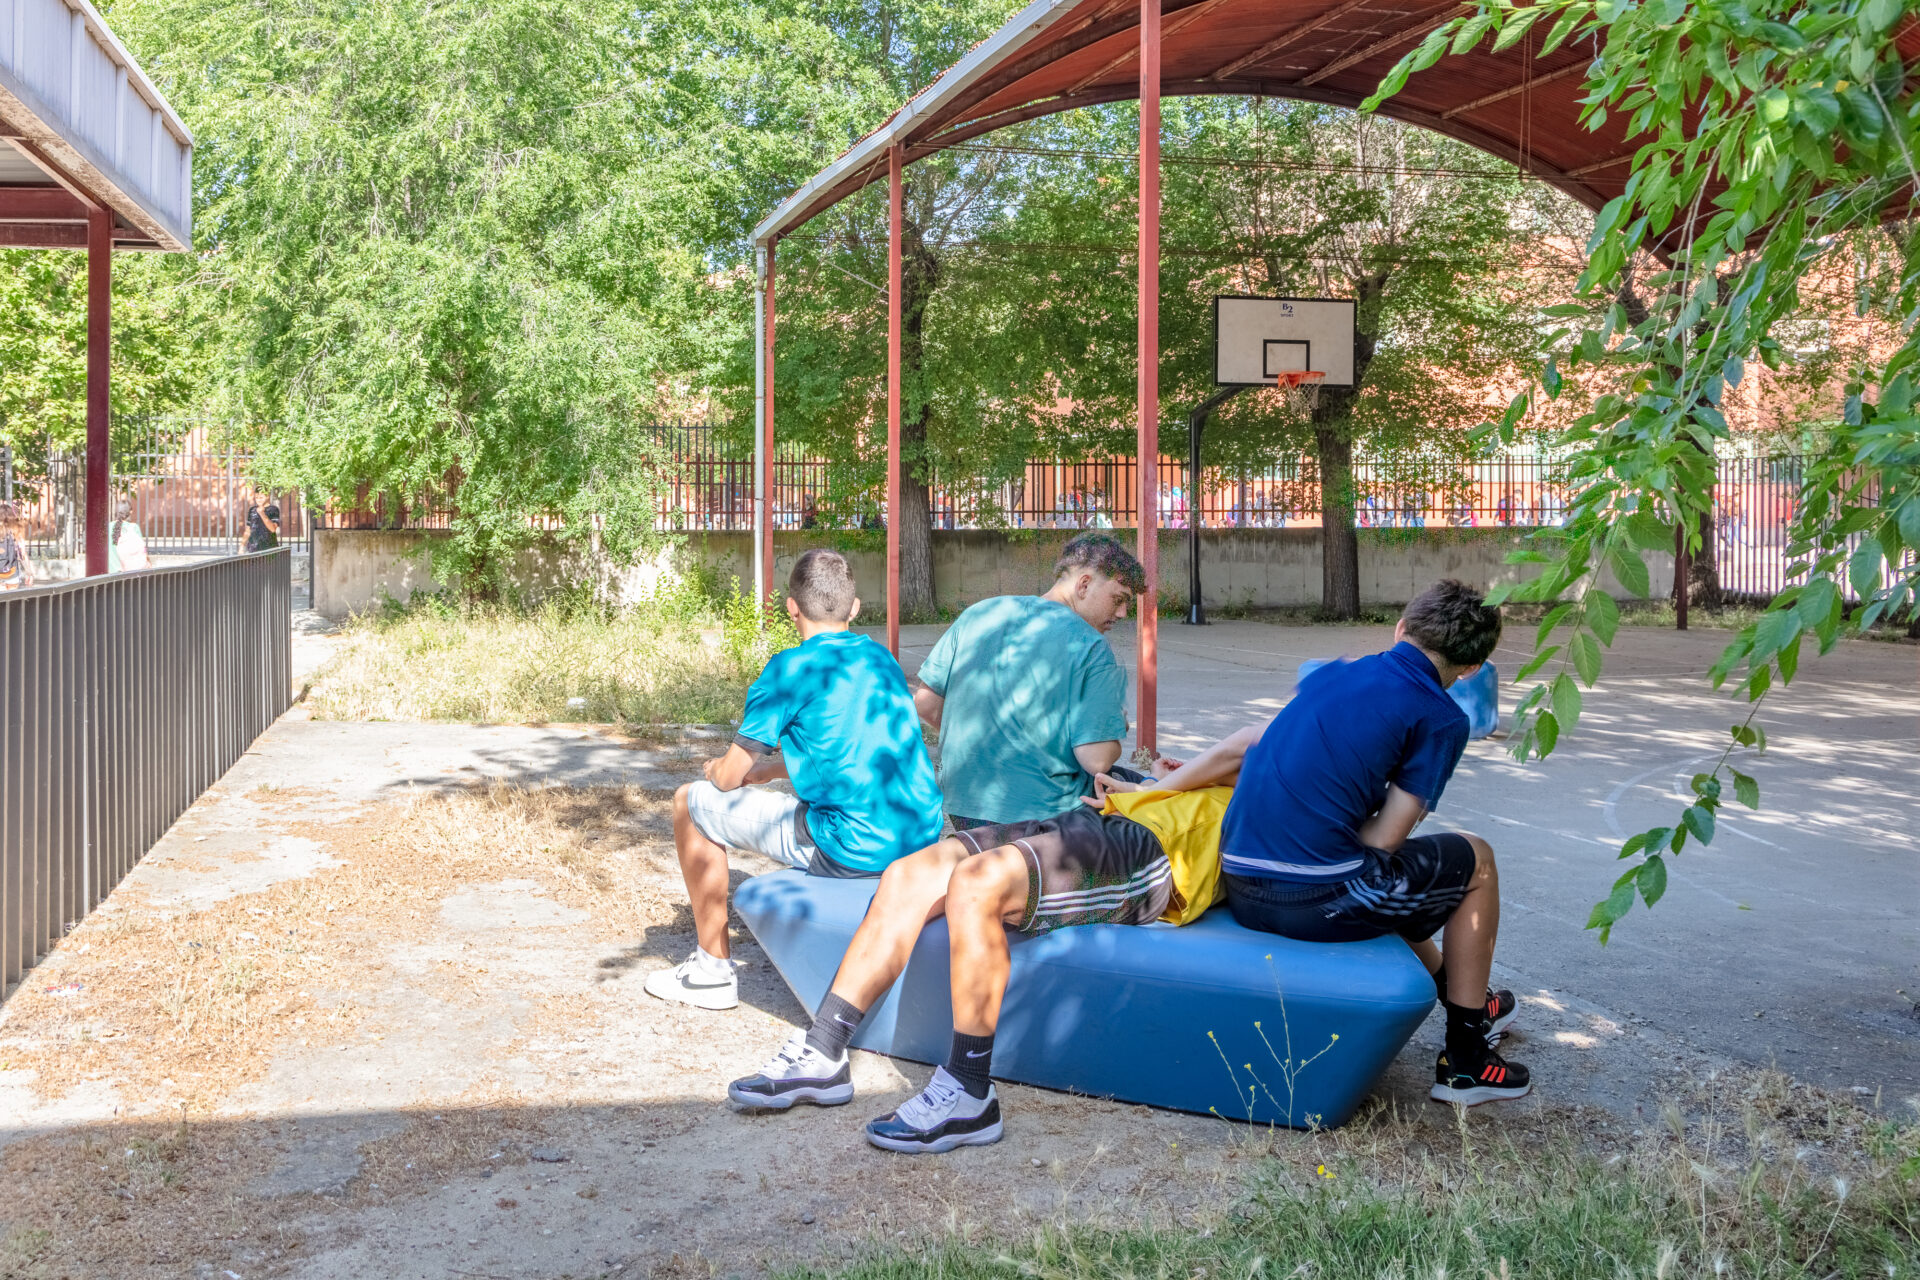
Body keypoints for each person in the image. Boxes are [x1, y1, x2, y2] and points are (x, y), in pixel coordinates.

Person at [724, 757, 1229, 1151]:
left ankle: (970, 1092)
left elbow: (1248, 745)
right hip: (1103, 815)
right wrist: (1162, 776)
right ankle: (823, 1050)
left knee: (976, 884)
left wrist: (1162, 785)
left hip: (1155, 851)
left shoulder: (1298, 733)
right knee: (909, 874)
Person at [1160, 580, 1526, 1106]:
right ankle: (1467, 1062)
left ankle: (1461, 994)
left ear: (1401, 628)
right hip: (1314, 903)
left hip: (1240, 887)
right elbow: (1385, 837)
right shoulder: (1443, 718)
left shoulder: (1331, 674)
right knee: (1475, 859)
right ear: (1471, 668)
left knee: (1383, 872)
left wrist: (1150, 790)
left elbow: (1252, 744)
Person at [646, 549, 944, 1011]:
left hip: (853, 846)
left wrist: (722, 772)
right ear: (855, 608)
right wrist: (768, 770)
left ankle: (710, 972)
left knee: (690, 802)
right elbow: (846, 748)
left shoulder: (788, 670)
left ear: (791, 607)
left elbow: (726, 779)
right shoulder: (880, 659)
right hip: (920, 837)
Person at [913, 531, 1143, 832]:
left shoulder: (978, 613)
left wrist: (994, 738)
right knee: (1148, 798)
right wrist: (1113, 728)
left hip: (963, 808)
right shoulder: (1090, 644)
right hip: (1045, 817)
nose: (1123, 613)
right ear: (1084, 584)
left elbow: (926, 704)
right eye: (1119, 599)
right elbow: (1096, 760)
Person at [107, 498, 150, 573]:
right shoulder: (133, 528)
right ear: (130, 512)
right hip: (128, 573)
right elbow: (142, 549)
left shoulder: (108, 527)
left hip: (110, 572)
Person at [0, 501, 35, 592]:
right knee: (11, 603)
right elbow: (22, 555)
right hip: (12, 575)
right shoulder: (16, 534)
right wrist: (29, 573)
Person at [243, 488, 281, 552]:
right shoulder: (252, 510)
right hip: (253, 548)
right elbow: (248, 529)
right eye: (256, 497)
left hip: (269, 547)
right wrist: (242, 546)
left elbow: (273, 529)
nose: (258, 500)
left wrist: (262, 513)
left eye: (261, 497)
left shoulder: (273, 509)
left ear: (267, 496)